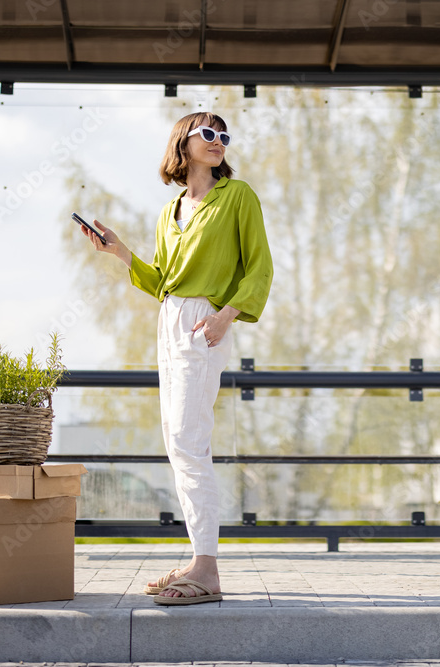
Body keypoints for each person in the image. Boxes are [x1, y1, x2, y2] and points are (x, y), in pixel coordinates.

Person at [81, 111, 273, 605]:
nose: (218, 141)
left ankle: (206, 570)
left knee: (189, 442)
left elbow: (260, 267)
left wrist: (226, 315)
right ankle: (197, 558)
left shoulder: (238, 197)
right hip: (169, 320)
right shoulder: (170, 212)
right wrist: (122, 253)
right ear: (182, 144)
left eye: (224, 136)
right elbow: (162, 281)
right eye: (208, 133)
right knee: (177, 443)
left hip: (203, 321)